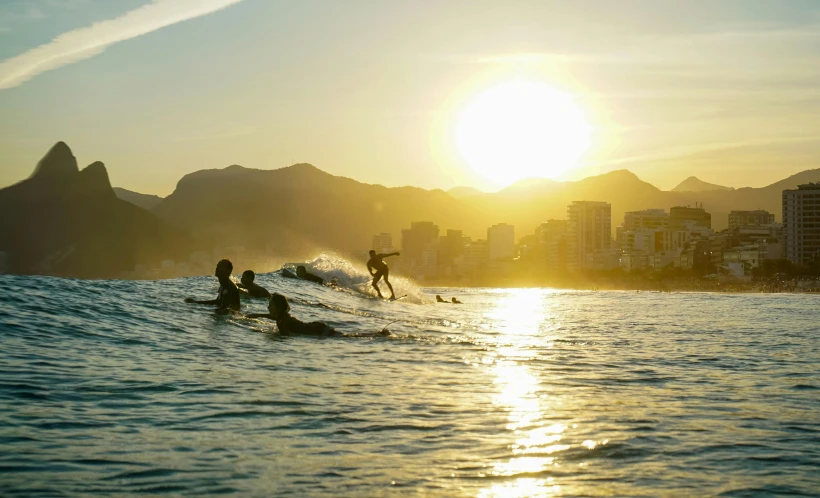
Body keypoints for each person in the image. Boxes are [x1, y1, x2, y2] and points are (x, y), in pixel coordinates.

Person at [247, 293, 340, 337]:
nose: (268, 308)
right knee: (342, 335)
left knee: (346, 336)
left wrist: (260, 331)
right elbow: (271, 316)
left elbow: (286, 336)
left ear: (277, 307)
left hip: (319, 330)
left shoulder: (283, 320)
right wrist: (257, 315)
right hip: (317, 327)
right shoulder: (282, 316)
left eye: (270, 305)